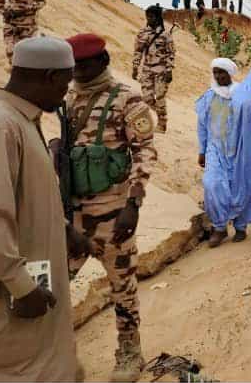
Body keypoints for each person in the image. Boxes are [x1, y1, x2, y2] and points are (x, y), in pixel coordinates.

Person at [0, 37, 78, 381]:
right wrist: (22, 287)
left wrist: (63, 229)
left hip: (30, 289)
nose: (65, 92)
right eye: (65, 82)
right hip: (7, 297)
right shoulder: (0, 127)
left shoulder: (19, 120)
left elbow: (25, 198)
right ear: (48, 77)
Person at [64, 33, 157, 381]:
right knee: (56, 284)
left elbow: (145, 150)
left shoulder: (127, 99)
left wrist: (134, 202)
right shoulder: (69, 98)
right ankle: (60, 354)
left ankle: (130, 353)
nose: (77, 71)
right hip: (73, 217)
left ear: (102, 62)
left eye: (84, 65)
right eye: (73, 65)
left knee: (123, 287)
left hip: (114, 215)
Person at [197, 59, 251, 247]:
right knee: (212, 184)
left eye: (222, 72)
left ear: (230, 73)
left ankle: (240, 225)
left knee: (241, 185)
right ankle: (219, 227)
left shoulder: (241, 94)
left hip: (239, 149)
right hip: (215, 149)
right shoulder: (209, 97)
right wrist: (202, 150)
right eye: (216, 72)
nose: (219, 76)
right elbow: (202, 125)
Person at [132, 5, 176, 132]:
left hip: (161, 71)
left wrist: (169, 70)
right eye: (147, 16)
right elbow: (138, 51)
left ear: (157, 18)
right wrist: (135, 67)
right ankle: (161, 116)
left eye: (151, 16)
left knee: (160, 96)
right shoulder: (142, 33)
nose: (149, 19)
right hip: (147, 70)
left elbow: (171, 53)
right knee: (147, 98)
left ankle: (162, 124)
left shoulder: (165, 35)